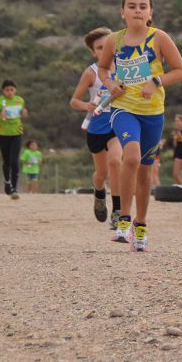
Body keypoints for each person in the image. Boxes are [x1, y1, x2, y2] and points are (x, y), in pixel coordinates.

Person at [97, 0, 182, 251]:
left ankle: (141, 225)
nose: (138, 10)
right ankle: (123, 219)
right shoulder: (114, 40)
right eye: (132, 6)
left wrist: (156, 80)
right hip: (123, 108)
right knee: (132, 157)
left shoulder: (159, 38)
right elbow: (103, 68)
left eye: (143, 6)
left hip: (152, 112)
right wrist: (109, 82)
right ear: (122, 12)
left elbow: (181, 71)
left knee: (146, 168)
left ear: (151, 12)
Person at [70, 27, 124, 229]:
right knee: (101, 173)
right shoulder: (91, 73)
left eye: (107, 45)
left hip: (117, 123)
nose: (104, 50)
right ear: (94, 52)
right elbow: (74, 101)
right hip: (96, 127)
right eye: (99, 48)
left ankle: (118, 211)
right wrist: (86, 105)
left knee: (116, 162)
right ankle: (99, 191)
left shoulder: (123, 69)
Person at [0, 79, 28, 199]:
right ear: (3, 91)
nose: (9, 92)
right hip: (3, 134)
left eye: (12, 90)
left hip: (17, 133)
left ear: (15, 90)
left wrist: (24, 113)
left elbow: (22, 113)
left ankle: (14, 189)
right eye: (7, 90)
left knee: (14, 161)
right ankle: (7, 182)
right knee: (7, 161)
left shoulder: (19, 100)